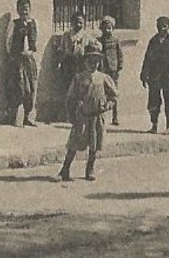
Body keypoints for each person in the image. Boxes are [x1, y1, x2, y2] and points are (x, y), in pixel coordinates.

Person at [58, 48, 116, 182]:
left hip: (97, 117)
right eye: (90, 61)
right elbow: (70, 97)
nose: (93, 64)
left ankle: (90, 169)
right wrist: (72, 115)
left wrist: (107, 105)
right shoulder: (79, 78)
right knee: (74, 143)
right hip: (82, 116)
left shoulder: (103, 78)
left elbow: (113, 96)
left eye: (96, 61)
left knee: (94, 145)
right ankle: (65, 169)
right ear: (85, 62)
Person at [139, 15, 169, 134]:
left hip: (168, 76)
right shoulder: (153, 41)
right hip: (154, 76)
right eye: (159, 26)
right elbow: (147, 58)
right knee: (153, 102)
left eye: (164, 26)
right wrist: (144, 75)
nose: (162, 29)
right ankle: (154, 125)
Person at [53, 11, 99, 120]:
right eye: (76, 22)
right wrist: (59, 62)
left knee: (81, 89)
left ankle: (81, 113)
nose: (78, 25)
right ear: (72, 23)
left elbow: (97, 45)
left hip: (81, 64)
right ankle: (69, 114)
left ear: (84, 23)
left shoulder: (87, 35)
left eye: (81, 22)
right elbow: (60, 50)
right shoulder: (66, 35)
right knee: (69, 89)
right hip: (69, 64)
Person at [6, 0, 39, 127]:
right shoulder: (14, 24)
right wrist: (14, 55)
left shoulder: (33, 23)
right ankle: (16, 118)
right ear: (18, 10)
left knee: (31, 88)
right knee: (19, 88)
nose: (24, 12)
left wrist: (31, 52)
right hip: (18, 60)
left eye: (26, 9)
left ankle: (28, 117)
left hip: (29, 59)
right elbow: (8, 42)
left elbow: (35, 40)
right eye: (21, 9)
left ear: (29, 10)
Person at [97, 15, 124, 126]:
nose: (107, 31)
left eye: (109, 28)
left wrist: (119, 67)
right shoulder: (98, 41)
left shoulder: (115, 41)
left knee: (114, 93)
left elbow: (120, 55)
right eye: (105, 28)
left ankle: (115, 117)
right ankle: (101, 116)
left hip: (113, 70)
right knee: (101, 93)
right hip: (103, 70)